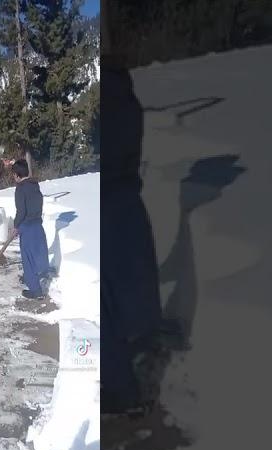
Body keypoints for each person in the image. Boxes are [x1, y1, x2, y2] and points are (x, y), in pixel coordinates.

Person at [100, 1, 163, 414]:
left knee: (106, 306)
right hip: (125, 200)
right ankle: (141, 348)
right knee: (130, 285)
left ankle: (122, 394)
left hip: (111, 202)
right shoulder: (126, 97)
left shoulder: (109, 99)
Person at [10, 159, 50, 299]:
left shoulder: (20, 188)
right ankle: (35, 276)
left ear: (17, 174)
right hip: (38, 225)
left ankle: (35, 290)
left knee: (28, 259)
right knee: (39, 253)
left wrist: (15, 226)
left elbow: (21, 211)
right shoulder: (35, 184)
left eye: (13, 174)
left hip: (26, 226)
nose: (13, 177)